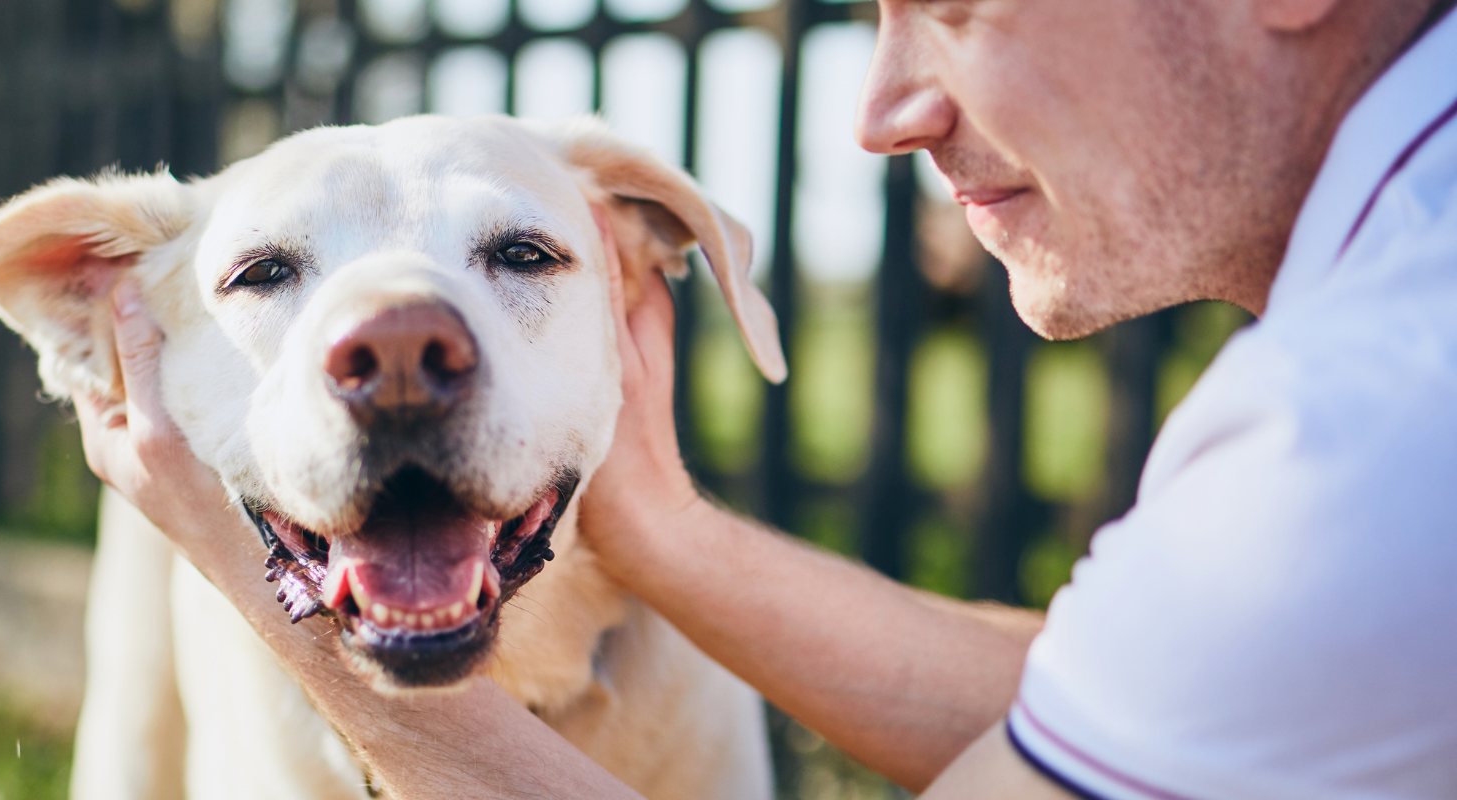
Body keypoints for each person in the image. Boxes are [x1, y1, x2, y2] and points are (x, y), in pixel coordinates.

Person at [75, 0, 1457, 796]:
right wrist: (662, 532)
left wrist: (279, 600)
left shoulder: (1374, 427)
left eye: (955, 5)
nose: (883, 111)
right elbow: (1162, 696)